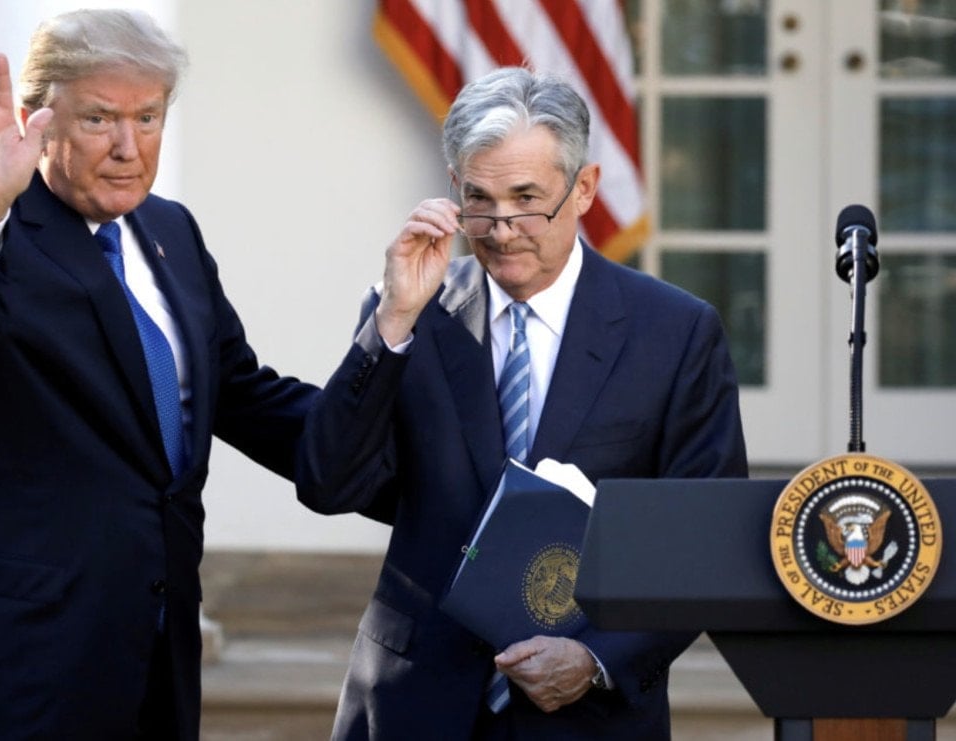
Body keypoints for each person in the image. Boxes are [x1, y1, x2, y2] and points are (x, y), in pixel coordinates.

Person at [0, 9, 315, 740]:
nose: (128, 146)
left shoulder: (172, 231)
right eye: (100, 118)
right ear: (38, 120)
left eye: (148, 117)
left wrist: (394, 417)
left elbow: (243, 395)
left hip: (150, 653)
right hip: (1, 660)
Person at [297, 67, 748, 740]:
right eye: (479, 200)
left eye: (527, 199)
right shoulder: (410, 312)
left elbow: (705, 537)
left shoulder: (674, 332)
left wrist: (597, 658)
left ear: (584, 188)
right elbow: (328, 482)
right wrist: (390, 322)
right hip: (415, 704)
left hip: (586, 717)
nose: (502, 230)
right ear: (454, 188)